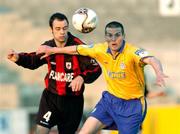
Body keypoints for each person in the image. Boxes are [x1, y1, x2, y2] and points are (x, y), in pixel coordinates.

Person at [36, 21, 168, 134]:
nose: (113, 39)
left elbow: (152, 59)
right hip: (109, 101)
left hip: (132, 106)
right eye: (109, 35)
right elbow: (76, 49)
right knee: (84, 132)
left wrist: (159, 72)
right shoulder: (100, 49)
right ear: (105, 37)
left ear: (123, 36)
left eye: (117, 35)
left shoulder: (132, 51)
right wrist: (52, 50)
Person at [7, 12, 102, 134]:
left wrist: (81, 77)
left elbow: (96, 69)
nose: (62, 32)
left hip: (73, 102)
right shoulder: (47, 47)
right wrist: (18, 58)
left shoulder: (78, 47)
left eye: (65, 28)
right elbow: (33, 60)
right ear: (51, 29)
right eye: (58, 29)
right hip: (51, 98)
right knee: (41, 131)